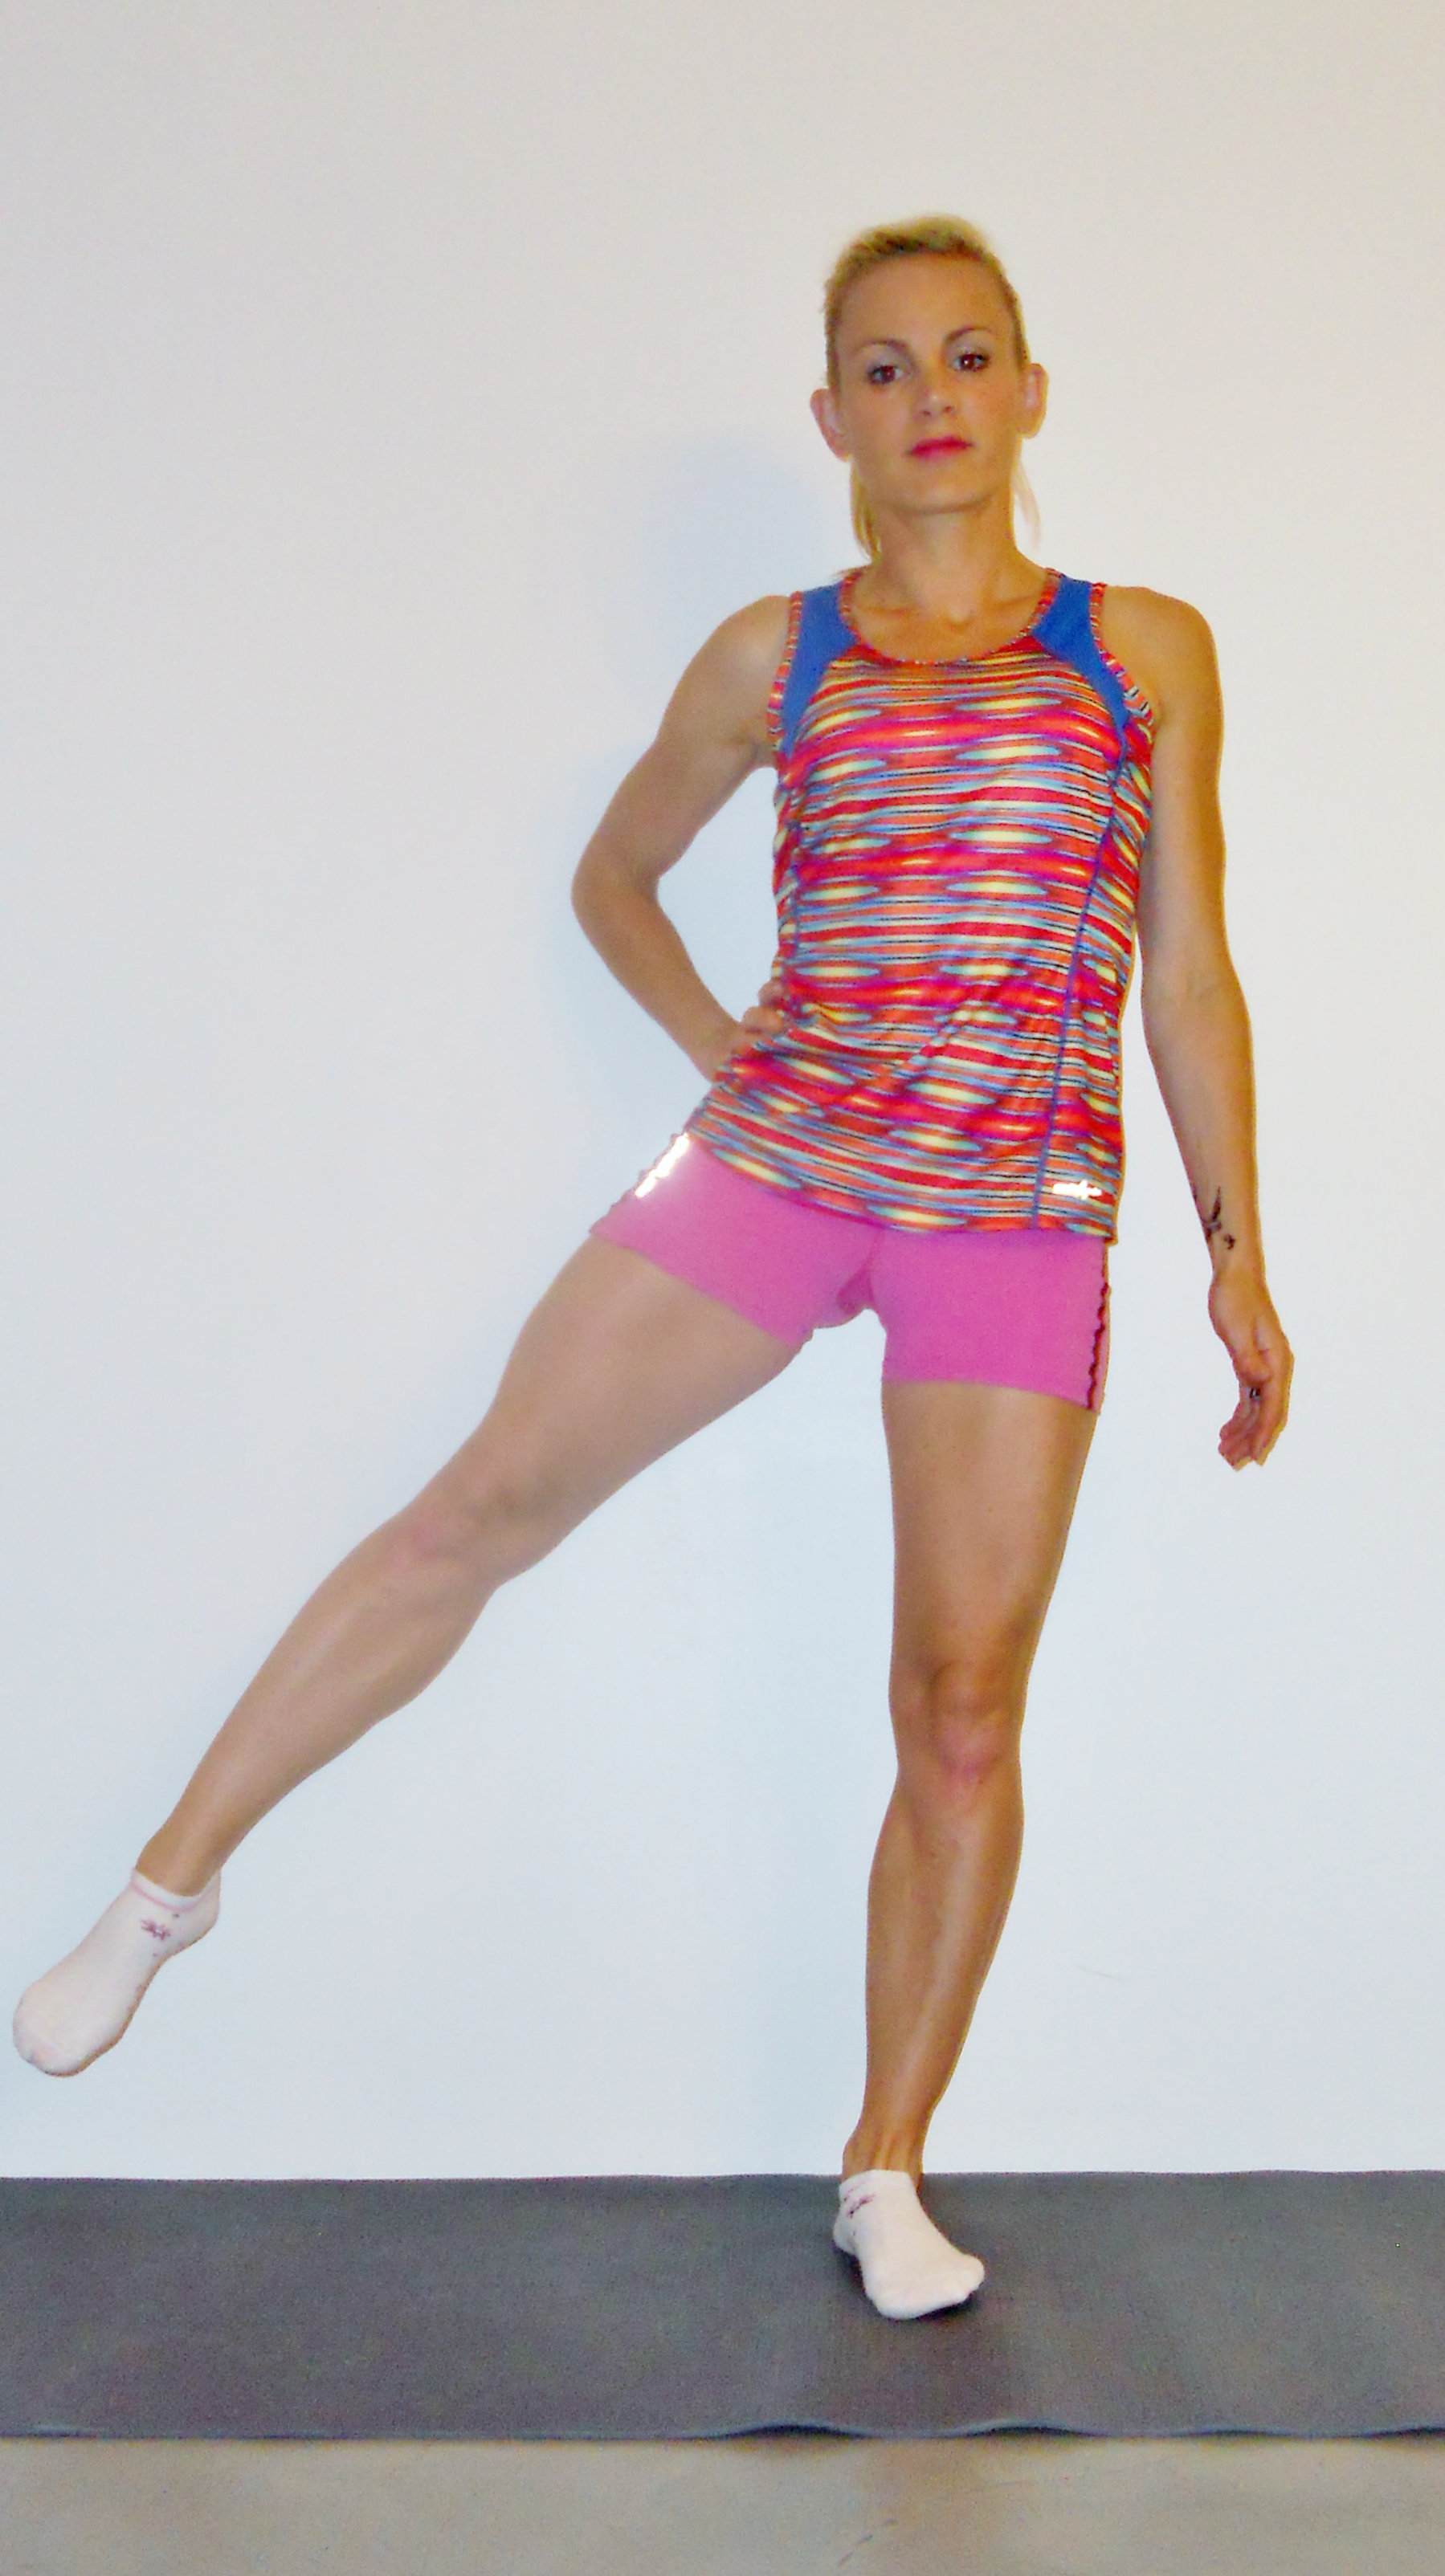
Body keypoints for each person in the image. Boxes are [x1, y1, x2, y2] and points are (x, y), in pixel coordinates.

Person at [13, 215, 1292, 2321]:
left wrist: (1242, 1253)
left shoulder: (1141, 649)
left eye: (971, 355)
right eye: (885, 366)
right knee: (477, 1507)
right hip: (781, 1166)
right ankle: (166, 1890)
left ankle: (884, 2163)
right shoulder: (771, 655)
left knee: (962, 1705)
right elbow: (613, 874)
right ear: (832, 417)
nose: (934, 396)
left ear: (1032, 390)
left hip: (1015, 1213)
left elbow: (1192, 970)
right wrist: (720, 1046)